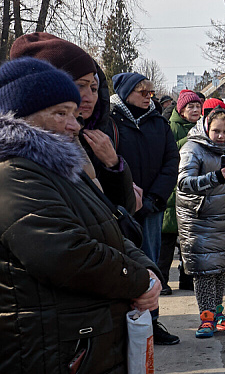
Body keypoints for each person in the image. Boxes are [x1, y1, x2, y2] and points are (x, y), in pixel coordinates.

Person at [0, 58, 161, 373]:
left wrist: (149, 274)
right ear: (18, 118)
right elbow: (65, 254)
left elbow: (112, 226)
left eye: (74, 114)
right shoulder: (14, 175)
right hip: (55, 351)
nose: (74, 125)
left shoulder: (59, 169)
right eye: (61, 114)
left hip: (87, 343)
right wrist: (139, 281)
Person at [8, 32, 138, 212]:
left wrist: (114, 166)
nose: (89, 97)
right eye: (79, 85)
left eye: (93, 88)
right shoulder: (21, 156)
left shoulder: (97, 133)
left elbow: (124, 211)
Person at [108, 71, 181, 345]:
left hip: (152, 208)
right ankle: (124, 325)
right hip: (118, 208)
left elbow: (170, 161)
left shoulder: (158, 123)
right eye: (143, 92)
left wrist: (155, 199)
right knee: (121, 264)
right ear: (127, 92)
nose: (149, 97)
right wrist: (124, 198)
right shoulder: (111, 122)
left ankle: (151, 322)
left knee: (149, 264)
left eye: (151, 93)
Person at [176, 107, 225, 338]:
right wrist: (214, 178)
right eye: (216, 131)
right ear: (206, 127)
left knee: (221, 269)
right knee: (205, 271)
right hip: (200, 218)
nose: (221, 136)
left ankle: (216, 313)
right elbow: (184, 183)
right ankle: (206, 318)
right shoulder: (192, 148)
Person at [159, 89, 204, 295]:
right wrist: (190, 139)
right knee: (166, 242)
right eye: (190, 107)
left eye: (197, 106)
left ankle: (187, 280)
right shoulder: (170, 126)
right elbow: (169, 151)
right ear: (181, 109)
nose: (195, 110)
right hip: (173, 192)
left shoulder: (203, 126)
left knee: (189, 241)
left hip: (194, 190)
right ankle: (162, 281)